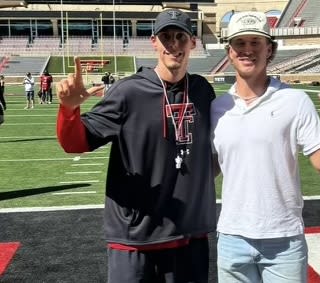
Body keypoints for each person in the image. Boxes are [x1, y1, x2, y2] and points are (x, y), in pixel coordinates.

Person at [56, 8, 216, 283]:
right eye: (166, 36)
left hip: (189, 235)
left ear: (192, 43)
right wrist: (68, 110)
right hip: (135, 240)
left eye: (181, 36)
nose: (174, 44)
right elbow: (76, 143)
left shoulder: (203, 91)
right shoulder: (128, 91)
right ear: (154, 42)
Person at [211, 11, 320, 282]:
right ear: (229, 52)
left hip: (284, 240)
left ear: (270, 49)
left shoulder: (295, 101)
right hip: (231, 237)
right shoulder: (217, 108)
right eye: (240, 43)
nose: (247, 50)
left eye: (256, 42)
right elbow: (208, 170)